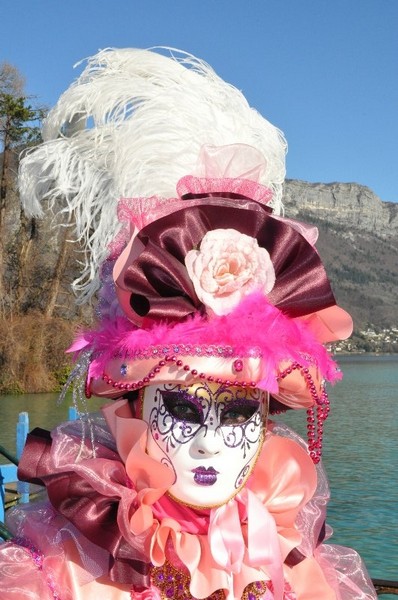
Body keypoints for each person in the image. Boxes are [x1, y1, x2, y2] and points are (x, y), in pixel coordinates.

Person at [0, 48, 377, 599]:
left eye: (242, 410)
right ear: (135, 404)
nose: (209, 445)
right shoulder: (60, 569)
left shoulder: (286, 550)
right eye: (179, 406)